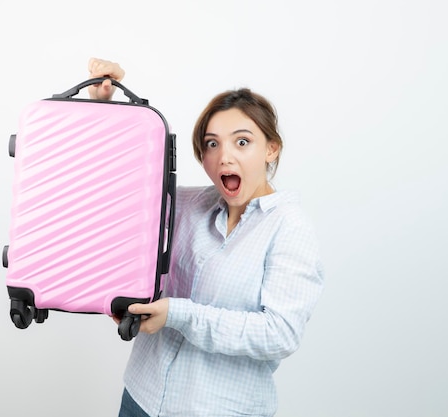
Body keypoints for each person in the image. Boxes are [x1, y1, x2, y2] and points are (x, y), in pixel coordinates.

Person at [88, 58, 324, 417]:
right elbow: (120, 186)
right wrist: (105, 107)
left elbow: (280, 333)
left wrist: (177, 314)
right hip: (141, 397)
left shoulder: (290, 228)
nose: (223, 157)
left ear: (271, 149)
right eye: (212, 145)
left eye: (242, 142)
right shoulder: (188, 204)